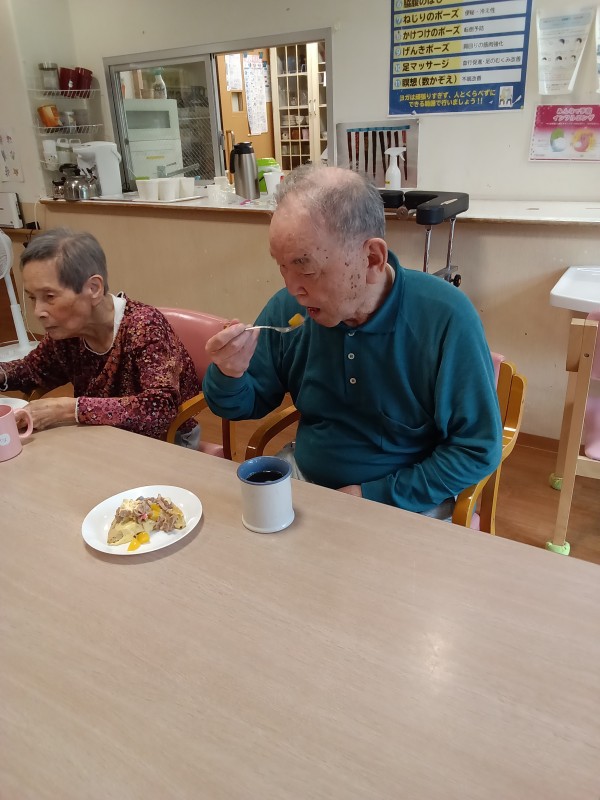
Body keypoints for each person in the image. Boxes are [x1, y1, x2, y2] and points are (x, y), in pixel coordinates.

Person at [203, 164, 502, 517]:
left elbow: (476, 448)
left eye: (306, 267)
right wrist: (230, 372)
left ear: (371, 258)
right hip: (306, 478)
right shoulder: (289, 309)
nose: (292, 288)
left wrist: (375, 496)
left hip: (406, 500)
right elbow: (243, 405)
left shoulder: (444, 317)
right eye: (282, 266)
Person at [0, 228, 201, 445]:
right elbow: (33, 370)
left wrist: (69, 409)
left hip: (168, 440)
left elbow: (159, 410)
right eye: (32, 298)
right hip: (102, 435)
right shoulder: (67, 333)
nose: (38, 311)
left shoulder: (144, 326)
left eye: (49, 296)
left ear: (94, 288)